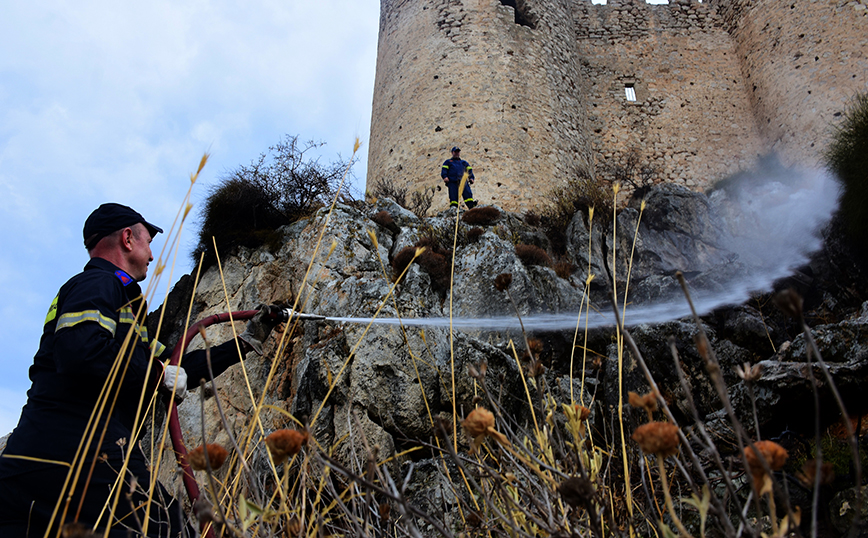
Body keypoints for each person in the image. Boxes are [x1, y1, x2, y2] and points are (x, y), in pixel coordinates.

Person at [0, 203, 278, 537]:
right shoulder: (98, 285)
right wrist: (158, 375)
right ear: (128, 239)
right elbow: (81, 353)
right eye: (148, 241)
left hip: (30, 464)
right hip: (82, 452)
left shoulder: (120, 306)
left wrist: (246, 342)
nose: (151, 255)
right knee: (168, 530)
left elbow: (177, 367)